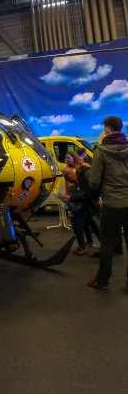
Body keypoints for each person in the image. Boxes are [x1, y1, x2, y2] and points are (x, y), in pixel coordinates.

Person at [86, 116, 128, 290]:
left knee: (107, 244)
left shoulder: (101, 151)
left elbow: (94, 182)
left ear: (107, 130)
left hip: (111, 204)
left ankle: (102, 280)